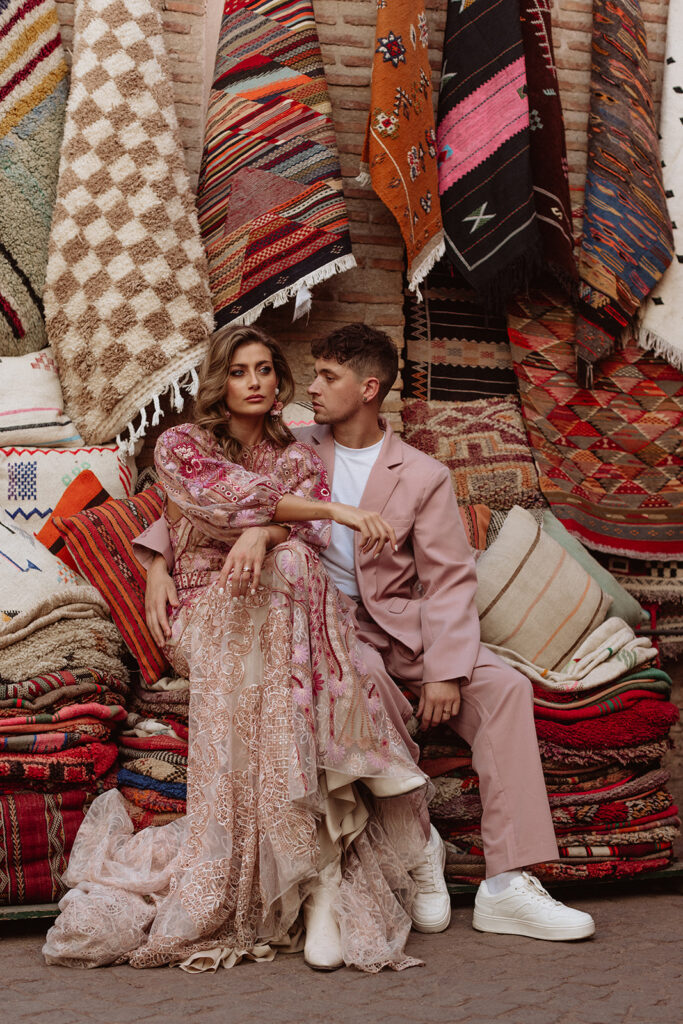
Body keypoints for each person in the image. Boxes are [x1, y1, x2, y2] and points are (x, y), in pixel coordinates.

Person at [142, 323, 596, 943]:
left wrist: (444, 667)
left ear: (369, 388)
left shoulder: (423, 475)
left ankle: (508, 884)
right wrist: (155, 561)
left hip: (406, 626)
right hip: (322, 622)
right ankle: (417, 838)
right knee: (358, 675)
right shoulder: (295, 443)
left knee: (506, 690)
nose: (306, 389)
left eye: (327, 377)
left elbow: (451, 582)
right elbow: (207, 494)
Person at [42, 325, 436, 973]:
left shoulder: (297, 458)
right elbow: (219, 501)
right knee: (289, 578)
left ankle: (316, 881)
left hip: (278, 613)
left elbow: (295, 537)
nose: (254, 382)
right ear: (219, 382)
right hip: (204, 614)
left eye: (264, 370)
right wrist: (299, 522)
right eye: (240, 371)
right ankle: (313, 872)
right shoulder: (181, 445)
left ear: (277, 382)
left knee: (295, 572)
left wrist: (269, 539)